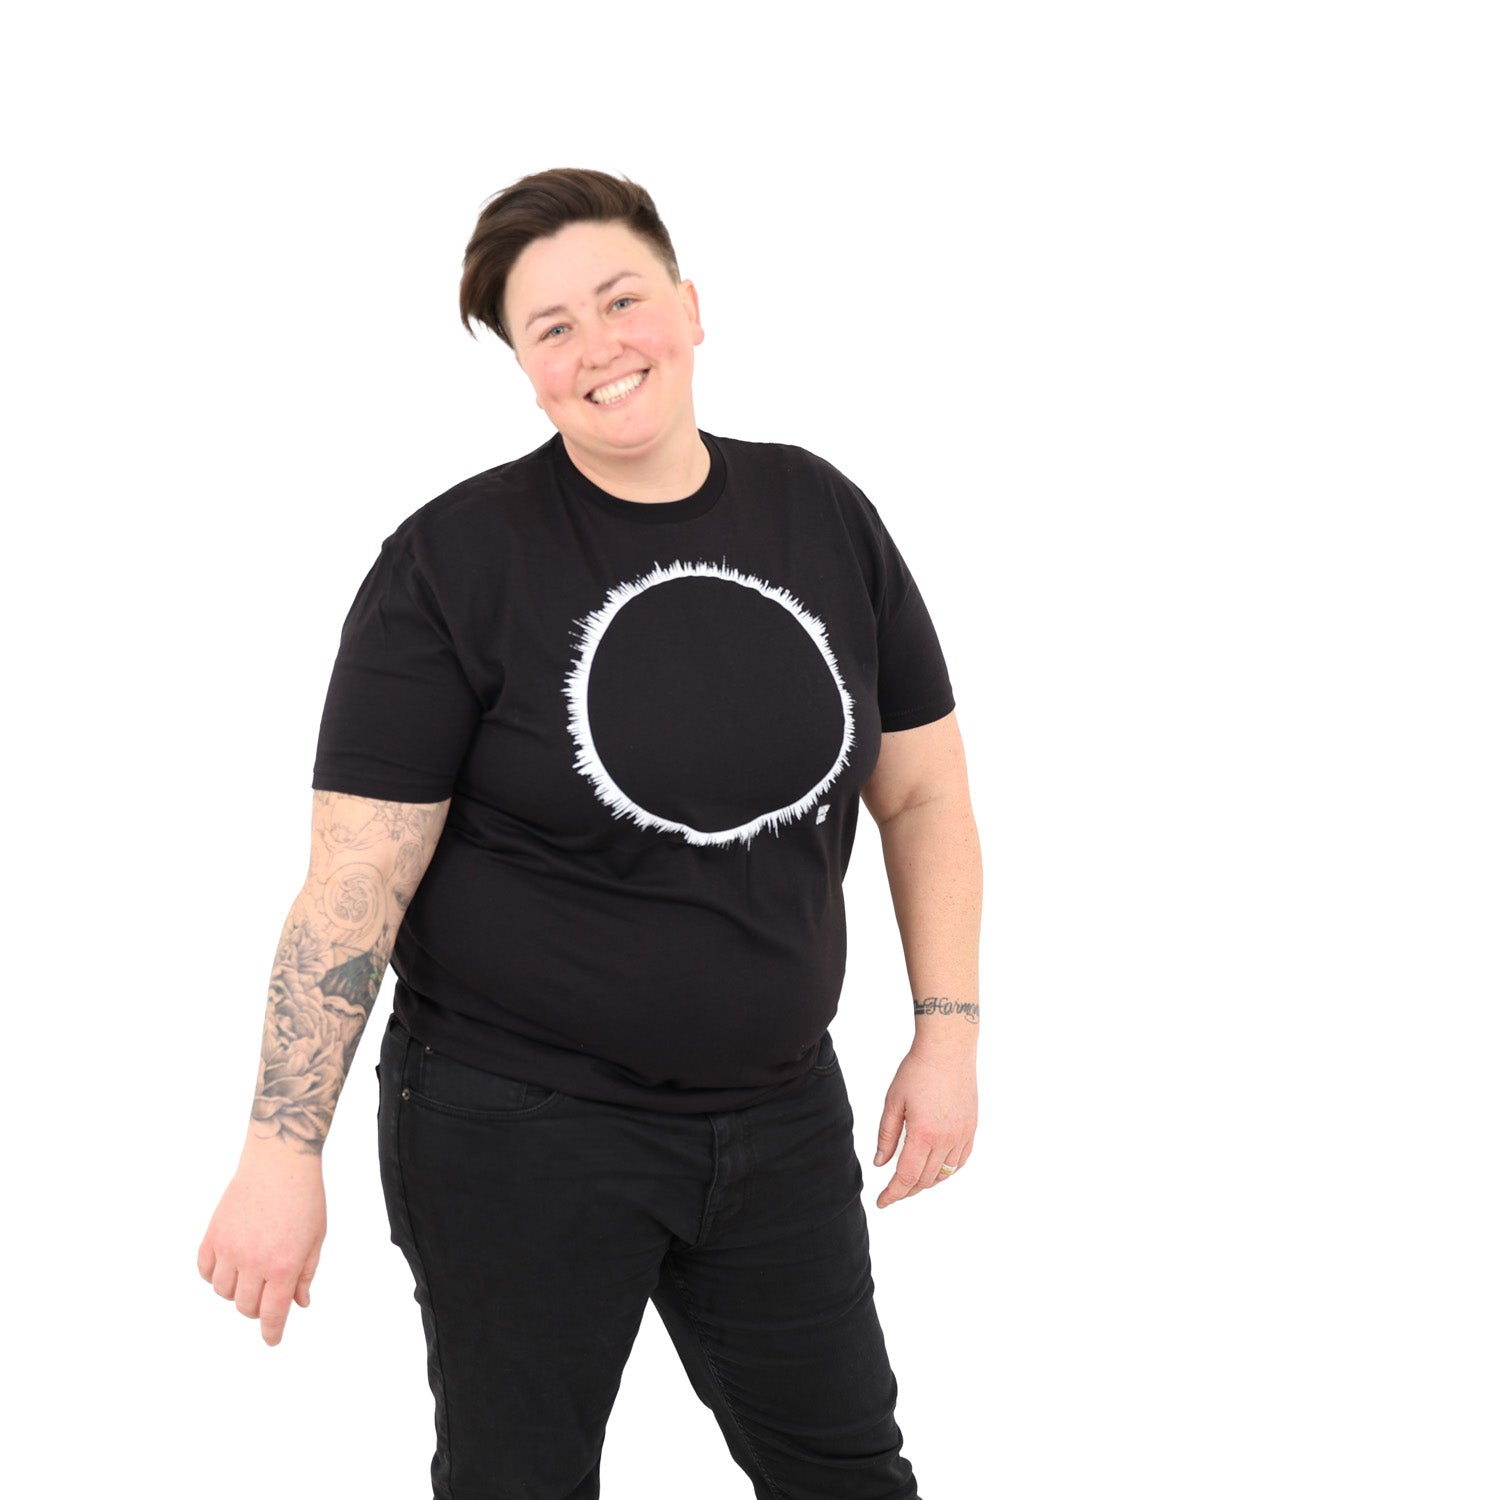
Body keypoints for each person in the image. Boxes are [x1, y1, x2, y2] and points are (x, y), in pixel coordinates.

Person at [199, 168, 982, 1500]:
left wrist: (948, 1030)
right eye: (550, 327)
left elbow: (921, 795)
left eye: (622, 300)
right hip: (519, 1131)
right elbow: (355, 885)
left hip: (781, 1118)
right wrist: (281, 1151)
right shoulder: (452, 565)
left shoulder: (822, 515)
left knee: (848, 1470)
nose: (599, 345)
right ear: (527, 370)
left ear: (688, 306)